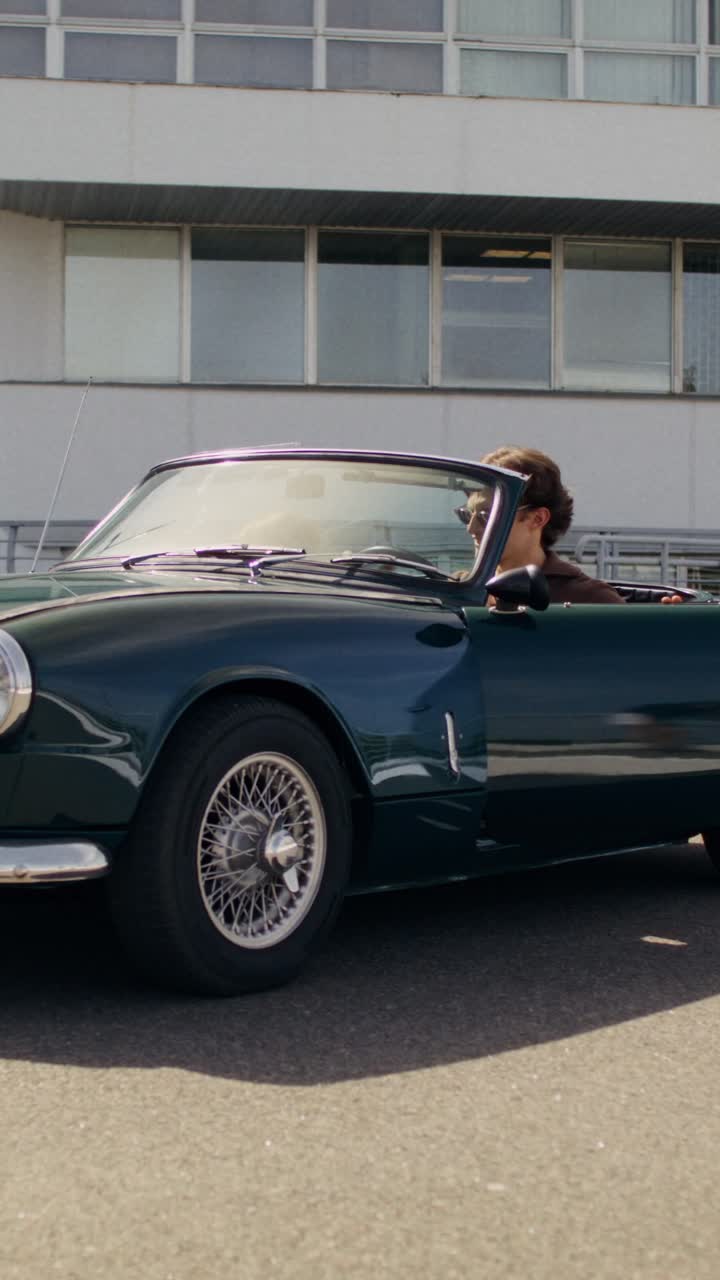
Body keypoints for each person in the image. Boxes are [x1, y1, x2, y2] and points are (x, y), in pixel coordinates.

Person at [467, 446, 683, 605]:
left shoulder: (589, 599)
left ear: (537, 519)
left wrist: (665, 631)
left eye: (486, 516)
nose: (471, 528)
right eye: (466, 514)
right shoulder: (460, 588)